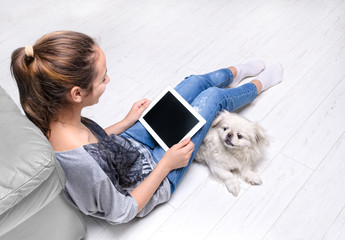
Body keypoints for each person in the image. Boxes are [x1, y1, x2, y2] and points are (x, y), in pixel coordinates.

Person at [10, 31, 283, 224]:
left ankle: (237, 71)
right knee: (211, 98)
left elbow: (95, 145)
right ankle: (259, 85)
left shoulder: (55, 115)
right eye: (103, 78)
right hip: (153, 177)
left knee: (193, 83)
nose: (109, 79)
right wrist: (167, 163)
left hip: (128, 147)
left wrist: (128, 121)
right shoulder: (80, 164)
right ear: (77, 93)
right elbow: (122, 211)